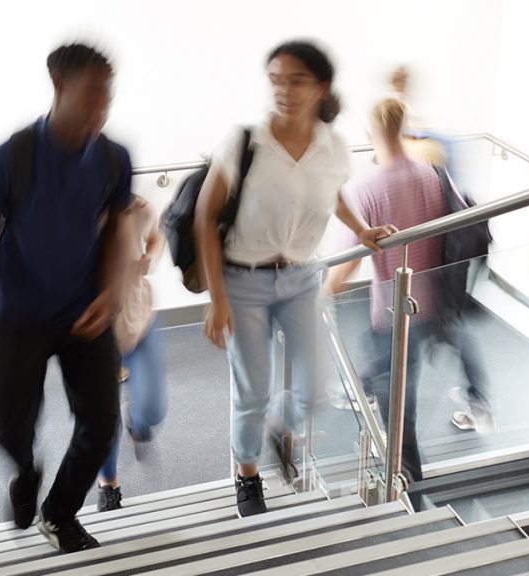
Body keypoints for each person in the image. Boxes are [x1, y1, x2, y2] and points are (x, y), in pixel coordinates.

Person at [195, 40, 393, 518]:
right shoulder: (247, 141)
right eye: (276, 80)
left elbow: (333, 192)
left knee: (316, 389)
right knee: (252, 390)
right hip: (243, 280)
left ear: (320, 87)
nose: (284, 90)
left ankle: (278, 426)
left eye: (296, 80)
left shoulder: (332, 146)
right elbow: (205, 216)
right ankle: (246, 474)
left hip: (302, 276)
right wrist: (217, 297)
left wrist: (361, 228)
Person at [0, 43, 129, 553]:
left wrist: (112, 293)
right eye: (91, 96)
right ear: (57, 86)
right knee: (12, 428)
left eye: (108, 98)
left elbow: (118, 231)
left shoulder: (112, 158)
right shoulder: (7, 160)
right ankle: (26, 470)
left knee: (102, 425)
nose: (100, 109)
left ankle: (58, 513)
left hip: (85, 313)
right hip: (20, 316)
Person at [325, 98, 446, 494]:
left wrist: (321, 295)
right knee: (399, 386)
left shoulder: (368, 189)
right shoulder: (430, 174)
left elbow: (347, 266)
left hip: (392, 312)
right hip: (428, 305)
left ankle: (405, 478)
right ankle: (406, 470)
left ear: (369, 135)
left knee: (397, 403)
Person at [97, 194, 168, 512]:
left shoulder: (134, 206)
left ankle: (138, 424)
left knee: (153, 409)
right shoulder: (65, 214)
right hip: (94, 333)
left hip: (139, 319)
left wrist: (150, 256)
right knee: (101, 417)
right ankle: (108, 482)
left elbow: (157, 235)